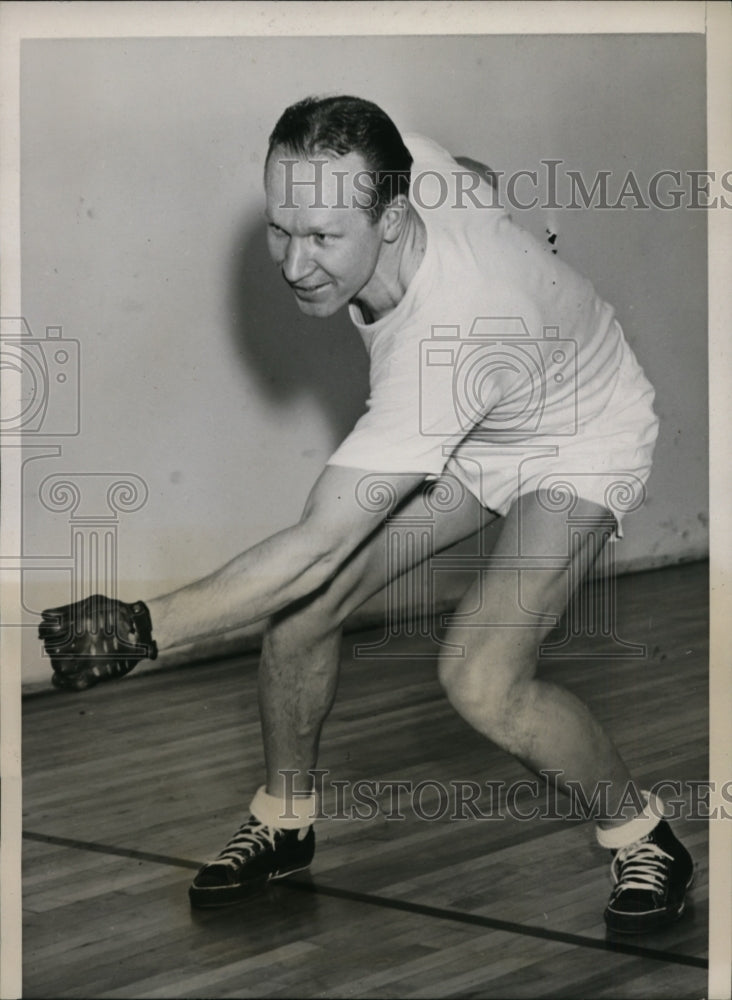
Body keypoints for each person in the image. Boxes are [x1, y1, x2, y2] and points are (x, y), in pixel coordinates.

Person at [39, 95, 693, 934]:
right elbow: (470, 171)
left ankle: (645, 838)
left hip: (583, 435)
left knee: (482, 679)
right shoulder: (405, 159)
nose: (294, 263)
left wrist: (140, 626)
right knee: (306, 617)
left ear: (390, 216)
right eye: (282, 227)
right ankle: (284, 824)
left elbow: (318, 545)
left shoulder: (445, 341)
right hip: (486, 412)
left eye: (322, 238)